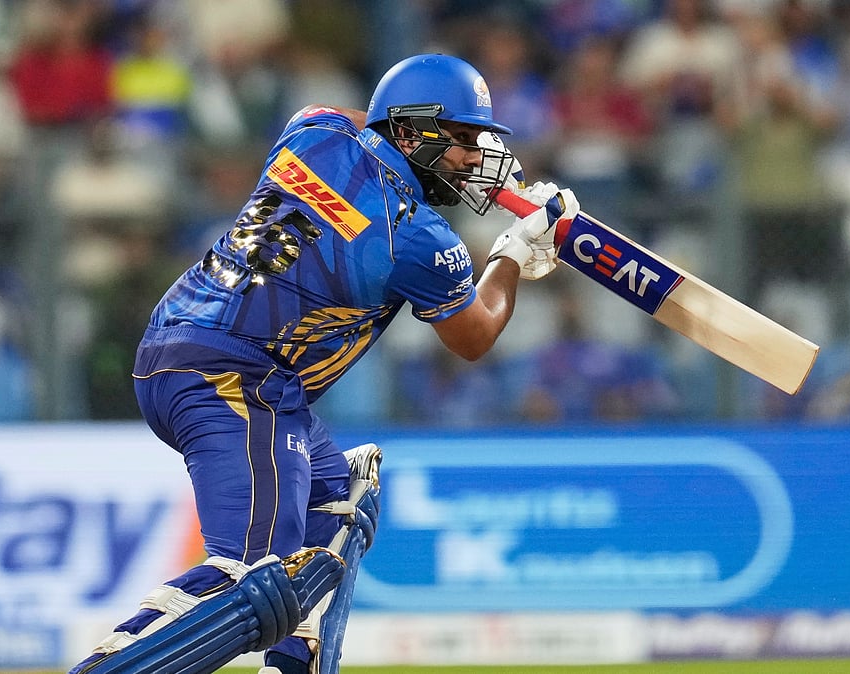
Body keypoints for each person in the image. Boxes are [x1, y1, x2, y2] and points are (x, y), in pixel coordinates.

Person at [67, 53, 579, 674]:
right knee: (251, 580)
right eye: (464, 141)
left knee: (340, 507)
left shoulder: (314, 135)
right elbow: (474, 335)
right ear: (412, 131)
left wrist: (446, 150)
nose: (476, 159)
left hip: (185, 349)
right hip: (234, 376)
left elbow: (357, 118)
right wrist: (515, 251)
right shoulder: (416, 236)